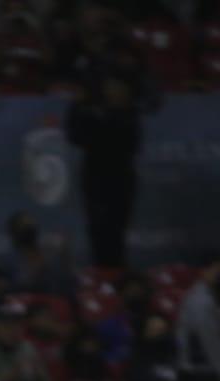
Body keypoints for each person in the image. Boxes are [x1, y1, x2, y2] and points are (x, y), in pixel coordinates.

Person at [65, 74, 141, 270]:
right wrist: (77, 106)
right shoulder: (92, 113)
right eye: (110, 88)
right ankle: (102, 270)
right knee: (97, 228)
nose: (113, 92)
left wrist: (102, 121)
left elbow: (130, 144)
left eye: (118, 88)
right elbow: (75, 136)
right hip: (95, 179)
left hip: (120, 179)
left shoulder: (129, 115)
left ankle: (116, 269)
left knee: (116, 229)